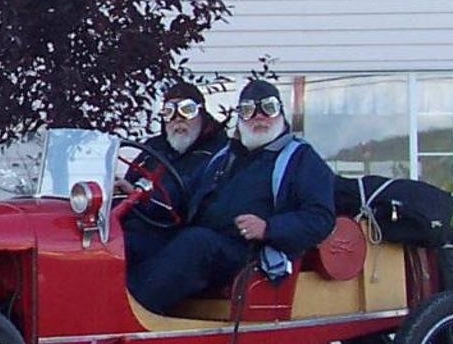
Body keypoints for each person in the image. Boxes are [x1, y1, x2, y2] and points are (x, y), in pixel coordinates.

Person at [127, 77, 336, 316]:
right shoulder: (224, 158)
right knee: (131, 243)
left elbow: (321, 217)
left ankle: (129, 313)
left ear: (280, 112)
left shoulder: (300, 158)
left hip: (252, 254)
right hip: (206, 243)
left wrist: (268, 228)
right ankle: (92, 312)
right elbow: (183, 198)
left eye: (268, 108)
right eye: (248, 110)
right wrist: (143, 198)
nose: (258, 116)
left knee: (196, 243)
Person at [119, 81, 225, 274]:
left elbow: (195, 203)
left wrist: (144, 199)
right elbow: (130, 183)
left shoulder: (218, 153)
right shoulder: (154, 148)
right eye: (169, 112)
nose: (178, 120)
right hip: (135, 226)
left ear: (202, 113)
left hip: (175, 235)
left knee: (120, 248)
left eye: (187, 110)